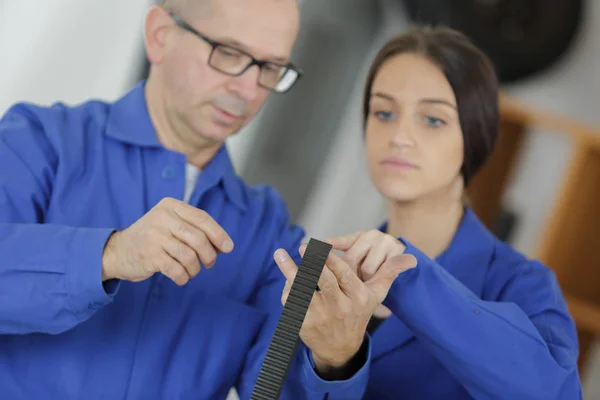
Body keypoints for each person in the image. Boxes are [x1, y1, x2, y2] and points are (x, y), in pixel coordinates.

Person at [0, 1, 416, 399]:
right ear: (160, 35)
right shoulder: (37, 142)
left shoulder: (268, 229)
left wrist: (334, 355)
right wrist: (111, 254)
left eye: (271, 67)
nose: (249, 88)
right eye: (230, 53)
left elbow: (274, 388)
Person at [285, 26, 582, 399]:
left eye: (432, 119)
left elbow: (552, 393)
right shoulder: (323, 279)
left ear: (476, 136)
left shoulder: (522, 285)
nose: (399, 135)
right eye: (383, 112)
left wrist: (409, 276)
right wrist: (334, 363)